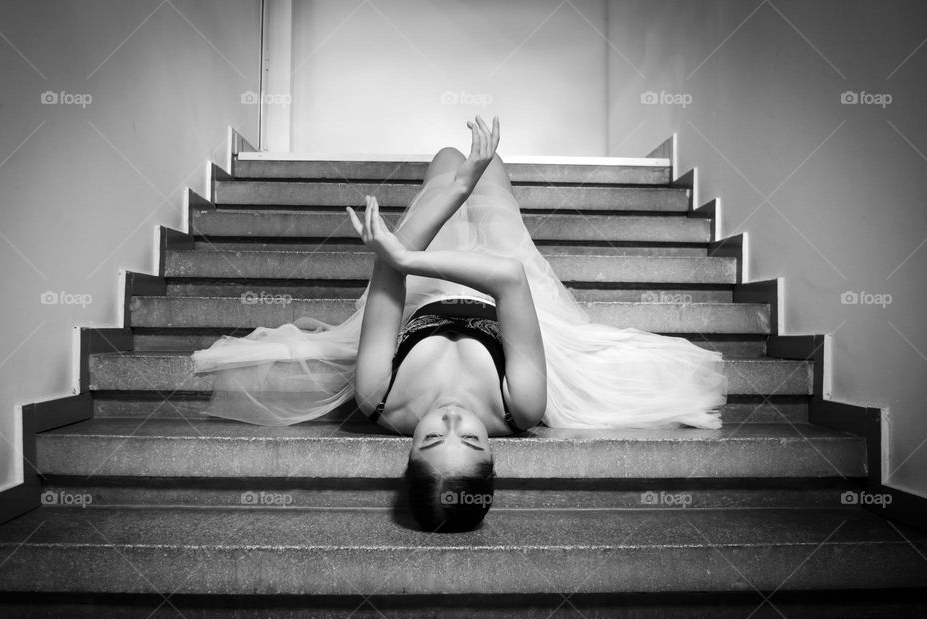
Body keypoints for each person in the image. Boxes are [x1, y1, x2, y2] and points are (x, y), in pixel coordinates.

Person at [192, 116, 727, 532]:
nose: (450, 420)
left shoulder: (378, 395)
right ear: (493, 452)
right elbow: (510, 279)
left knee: (446, 161)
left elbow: (390, 270)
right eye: (469, 438)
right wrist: (430, 232)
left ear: (408, 449)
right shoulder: (521, 406)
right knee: (489, 173)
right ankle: (477, 179)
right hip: (493, 279)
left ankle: (455, 178)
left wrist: (449, 197)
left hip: (426, 278)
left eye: (431, 438)